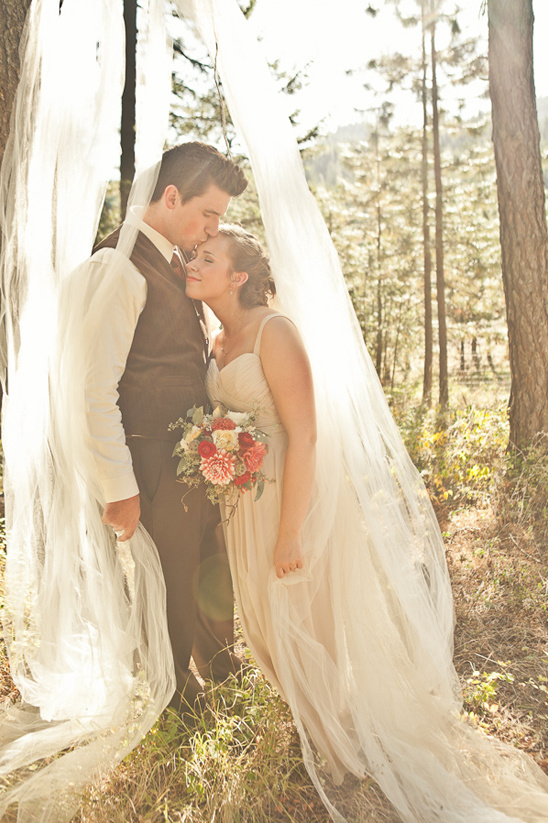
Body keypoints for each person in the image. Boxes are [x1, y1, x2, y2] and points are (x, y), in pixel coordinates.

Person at [185, 224, 548, 823]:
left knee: (302, 616)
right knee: (264, 618)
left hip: (286, 498)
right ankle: (313, 729)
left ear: (239, 275)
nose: (193, 263)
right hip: (241, 499)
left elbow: (304, 434)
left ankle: (342, 747)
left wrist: (291, 531)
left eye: (207, 257)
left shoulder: (276, 332)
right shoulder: (217, 336)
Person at [88, 142, 248, 712]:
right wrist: (119, 489)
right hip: (150, 463)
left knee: (209, 573)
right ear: (172, 196)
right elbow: (93, 390)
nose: (212, 230)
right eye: (208, 215)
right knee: (171, 590)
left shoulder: (178, 261)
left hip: (192, 457)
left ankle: (222, 682)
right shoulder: (115, 266)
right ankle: (171, 708)